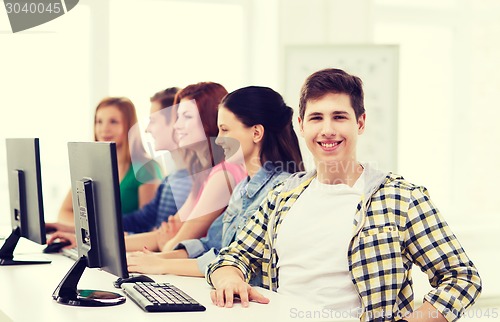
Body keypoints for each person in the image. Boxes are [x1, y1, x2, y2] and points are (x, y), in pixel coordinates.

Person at [206, 69, 482, 322]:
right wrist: (229, 278)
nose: (327, 130)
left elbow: (462, 278)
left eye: (339, 117)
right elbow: (233, 256)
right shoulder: (282, 196)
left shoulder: (400, 198)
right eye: (316, 118)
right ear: (301, 125)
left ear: (360, 123)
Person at [127, 86, 305, 277]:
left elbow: (234, 260)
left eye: (225, 130)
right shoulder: (241, 189)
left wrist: (162, 265)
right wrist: (156, 259)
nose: (218, 140)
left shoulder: (279, 191)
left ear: (256, 133)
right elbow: (210, 245)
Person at [124, 82, 247, 253]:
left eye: (187, 117)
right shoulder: (204, 175)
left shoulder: (224, 174)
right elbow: (163, 235)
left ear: (210, 119)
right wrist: (100, 245)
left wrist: (166, 242)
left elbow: (175, 245)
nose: (177, 125)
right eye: (178, 117)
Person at [47, 97, 162, 231]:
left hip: (129, 245)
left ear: (129, 126)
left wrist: (93, 228)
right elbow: (64, 213)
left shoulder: (147, 168)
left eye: (113, 122)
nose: (104, 129)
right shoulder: (90, 167)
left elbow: (147, 225)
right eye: (99, 121)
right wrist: (95, 229)